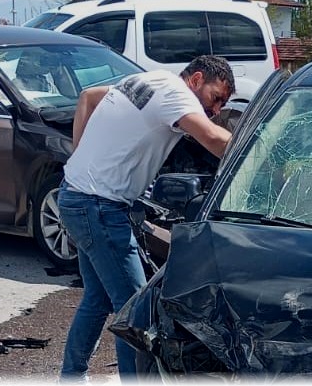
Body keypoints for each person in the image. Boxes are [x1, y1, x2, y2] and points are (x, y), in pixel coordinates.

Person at [58, 55, 235, 381]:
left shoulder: (148, 80)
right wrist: (263, 150)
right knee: (135, 312)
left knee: (97, 300)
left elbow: (89, 97)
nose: (217, 110)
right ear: (196, 79)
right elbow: (211, 138)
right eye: (216, 98)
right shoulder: (177, 93)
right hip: (98, 206)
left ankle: (71, 376)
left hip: (76, 195)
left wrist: (80, 156)